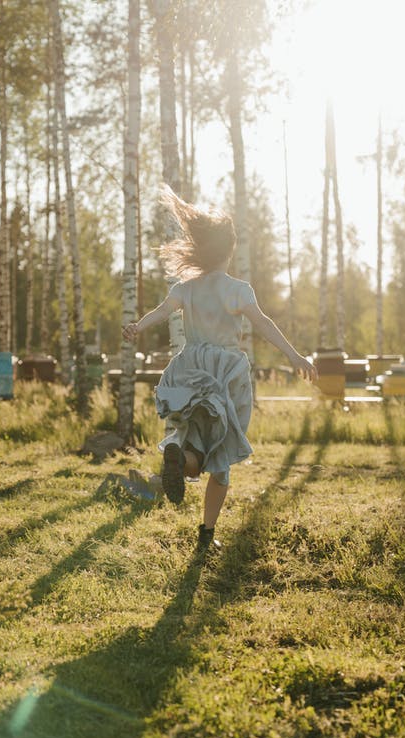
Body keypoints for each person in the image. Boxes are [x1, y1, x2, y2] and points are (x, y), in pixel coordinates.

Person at [122, 186, 316, 548]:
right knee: (221, 456)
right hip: (225, 374)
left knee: (191, 441)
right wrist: (294, 356)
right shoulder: (238, 289)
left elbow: (161, 313)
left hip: (189, 367)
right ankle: (206, 534)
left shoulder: (186, 287)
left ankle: (178, 456)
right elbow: (264, 324)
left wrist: (138, 326)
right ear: (229, 250)